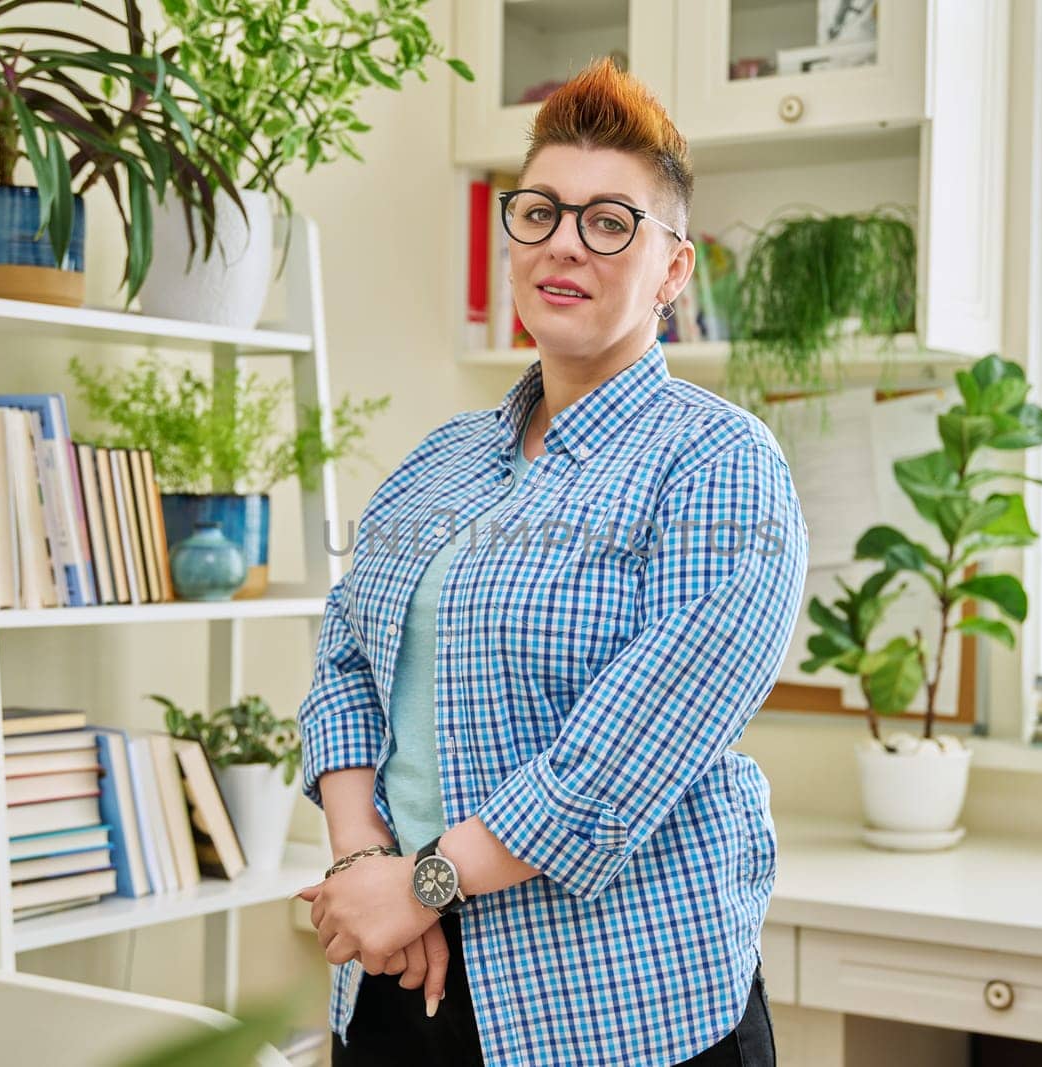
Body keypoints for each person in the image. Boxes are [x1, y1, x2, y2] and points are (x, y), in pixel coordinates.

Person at [295, 56, 807, 1067]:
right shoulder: (442, 459)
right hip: (403, 977)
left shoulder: (718, 462)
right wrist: (364, 861)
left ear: (671, 269)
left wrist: (422, 880)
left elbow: (625, 752)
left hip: (617, 1004)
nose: (564, 243)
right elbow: (344, 658)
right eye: (539, 212)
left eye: (609, 221)